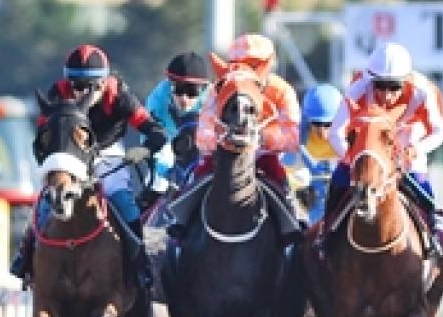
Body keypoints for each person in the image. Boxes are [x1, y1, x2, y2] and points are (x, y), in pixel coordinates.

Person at [11, 44, 167, 286]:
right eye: (75, 85)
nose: (79, 92)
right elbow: (42, 134)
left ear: (103, 83)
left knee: (124, 203)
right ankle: (26, 256)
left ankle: (140, 265)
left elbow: (156, 132)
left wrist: (144, 149)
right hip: (71, 156)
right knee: (45, 201)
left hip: (106, 153)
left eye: (87, 86)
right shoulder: (58, 93)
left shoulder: (120, 96)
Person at [166, 33, 302, 243]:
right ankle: (179, 223)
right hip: (223, 155)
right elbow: (203, 137)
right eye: (236, 63)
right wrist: (225, 138)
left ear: (266, 64)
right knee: (199, 172)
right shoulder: (217, 89)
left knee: (280, 179)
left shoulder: (283, 91)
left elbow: (293, 138)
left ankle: (292, 227)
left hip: (263, 157)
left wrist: (261, 137)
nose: (241, 69)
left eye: (250, 64)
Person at [318, 41, 443, 254]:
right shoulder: (357, 88)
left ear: (406, 81)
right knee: (339, 180)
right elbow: (335, 132)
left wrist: (416, 149)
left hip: (405, 144)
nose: (386, 95)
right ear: (371, 80)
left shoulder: (424, 91)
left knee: (422, 187)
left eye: (394, 87)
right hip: (368, 147)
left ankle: (436, 235)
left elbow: (439, 132)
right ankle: (326, 235)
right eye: (380, 86)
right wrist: (356, 159)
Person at [146, 51, 210, 196]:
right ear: (170, 86)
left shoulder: (212, 100)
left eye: (192, 91)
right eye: (179, 90)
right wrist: (167, 173)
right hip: (168, 142)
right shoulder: (157, 101)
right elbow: (154, 147)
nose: (185, 98)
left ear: (204, 89)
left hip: (201, 146)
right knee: (156, 183)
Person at [285, 83, 343, 225]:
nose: (322, 131)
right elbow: (284, 168)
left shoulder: (349, 139)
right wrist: (299, 188)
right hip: (306, 211)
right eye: (316, 124)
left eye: (328, 124)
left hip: (338, 208)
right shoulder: (295, 138)